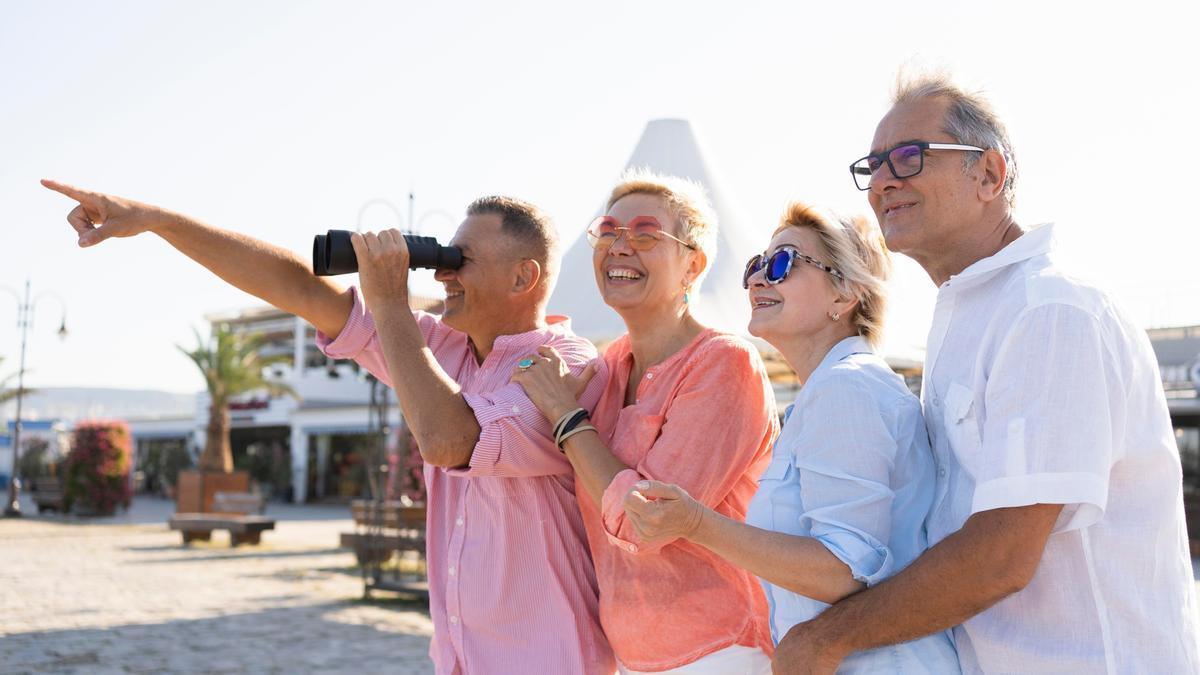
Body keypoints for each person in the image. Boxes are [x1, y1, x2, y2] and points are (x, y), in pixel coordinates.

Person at [40, 181, 615, 675]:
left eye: (461, 260)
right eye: (443, 256)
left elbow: (448, 441)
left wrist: (389, 301)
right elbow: (300, 289)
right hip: (462, 657)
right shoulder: (448, 352)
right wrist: (159, 220)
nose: (442, 271)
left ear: (523, 278)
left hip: (548, 658)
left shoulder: (564, 365)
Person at [772, 72, 1200, 674]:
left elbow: (1002, 554)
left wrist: (827, 639)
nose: (884, 180)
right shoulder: (973, 317)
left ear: (990, 175)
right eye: (874, 166)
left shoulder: (1048, 311)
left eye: (909, 157)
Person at [620, 202, 961, 673]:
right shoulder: (831, 391)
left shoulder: (847, 388)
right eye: (756, 266)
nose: (759, 280)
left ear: (844, 297)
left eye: (783, 263)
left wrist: (696, 524)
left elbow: (843, 571)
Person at [511, 170, 777, 674]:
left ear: (692, 266)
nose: (619, 246)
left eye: (646, 234)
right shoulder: (609, 365)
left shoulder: (726, 363)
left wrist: (567, 418)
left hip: (719, 650)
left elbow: (645, 521)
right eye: (608, 231)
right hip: (629, 654)